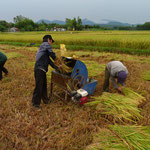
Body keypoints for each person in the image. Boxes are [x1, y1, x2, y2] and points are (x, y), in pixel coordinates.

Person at [32, 35, 58, 109]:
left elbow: (49, 61)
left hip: (41, 70)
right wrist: (58, 60)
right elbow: (52, 55)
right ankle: (35, 104)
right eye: (51, 41)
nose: (51, 43)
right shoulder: (45, 44)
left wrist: (57, 67)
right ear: (49, 40)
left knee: (43, 86)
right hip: (40, 69)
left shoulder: (43, 50)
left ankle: (46, 100)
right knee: (39, 87)